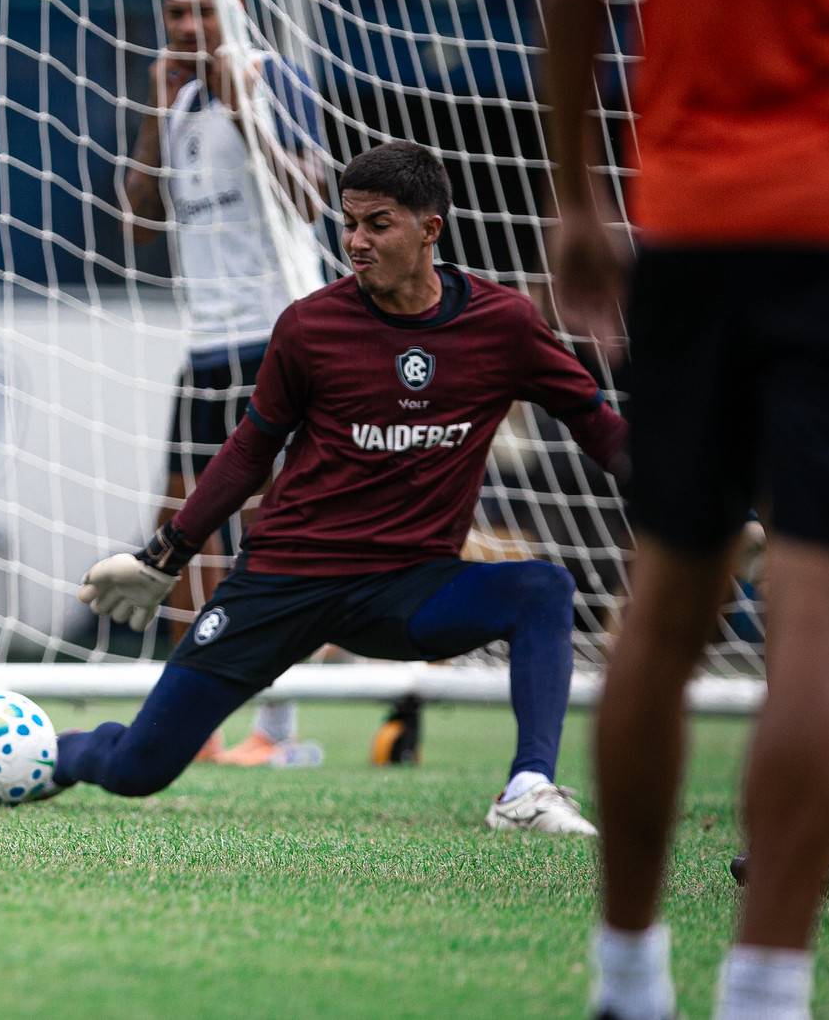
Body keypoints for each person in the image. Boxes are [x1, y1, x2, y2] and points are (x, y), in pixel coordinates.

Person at [544, 0, 829, 1017]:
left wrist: (577, 199)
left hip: (699, 217)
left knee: (663, 608)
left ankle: (626, 974)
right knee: (820, 625)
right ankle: (771, 987)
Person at [67, 141, 623, 835]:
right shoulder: (310, 326)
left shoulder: (501, 323)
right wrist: (164, 556)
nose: (356, 241)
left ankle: (528, 788)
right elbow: (247, 453)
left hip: (408, 592)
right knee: (136, 769)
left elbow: (599, 427)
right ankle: (48, 757)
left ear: (431, 228)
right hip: (284, 581)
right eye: (349, 222)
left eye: (378, 223)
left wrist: (701, 513)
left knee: (541, 588)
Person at [118, 0, 327, 767]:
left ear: (236, 9)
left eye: (203, 12)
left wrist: (246, 115)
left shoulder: (276, 79)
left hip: (278, 339)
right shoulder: (173, 96)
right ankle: (194, 723)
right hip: (205, 347)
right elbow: (136, 222)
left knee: (272, 534)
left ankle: (281, 729)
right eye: (176, 14)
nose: (189, 28)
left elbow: (313, 199)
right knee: (179, 532)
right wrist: (151, 115)